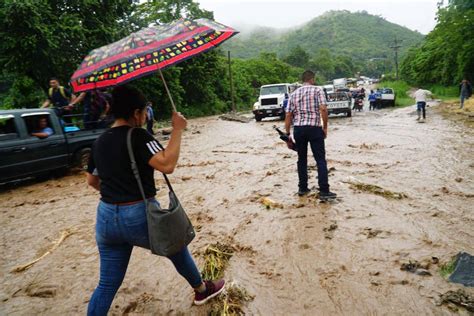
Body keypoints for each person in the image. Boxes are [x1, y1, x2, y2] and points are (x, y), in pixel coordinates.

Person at [85, 85, 225, 315]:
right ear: (135, 113)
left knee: (107, 285)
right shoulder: (138, 135)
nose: (144, 116)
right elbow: (167, 164)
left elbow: (91, 181)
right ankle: (201, 289)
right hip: (138, 214)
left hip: (106, 217)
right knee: (176, 247)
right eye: (144, 111)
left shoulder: (99, 141)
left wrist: (116, 194)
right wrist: (177, 129)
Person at [285, 70, 337, 200]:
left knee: (301, 159)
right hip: (314, 128)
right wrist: (325, 127)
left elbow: (288, 115)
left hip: (299, 129)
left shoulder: (294, 94)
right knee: (320, 159)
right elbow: (323, 109)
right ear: (312, 79)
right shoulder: (318, 90)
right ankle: (324, 191)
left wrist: (287, 134)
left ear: (303, 80)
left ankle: (302, 189)